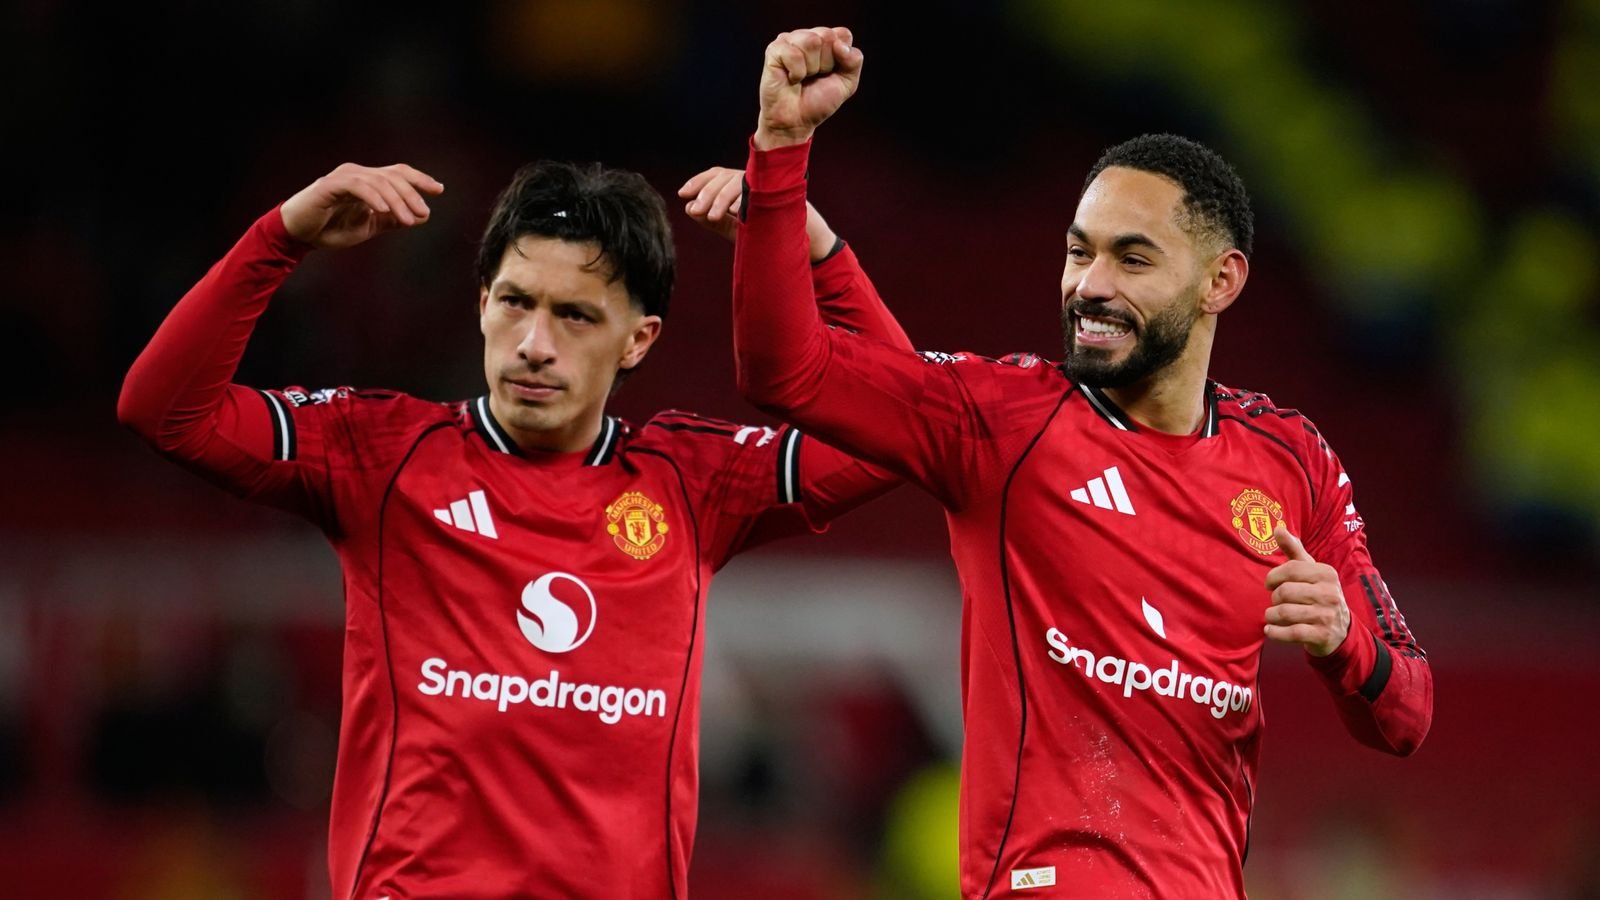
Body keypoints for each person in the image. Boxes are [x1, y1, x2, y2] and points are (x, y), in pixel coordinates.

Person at [730, 26, 1433, 899]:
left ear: (1220, 281)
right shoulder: (1001, 421)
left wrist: (1343, 641)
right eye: (1078, 250)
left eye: (1131, 258)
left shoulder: (1294, 463)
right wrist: (781, 150)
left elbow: (1406, 712)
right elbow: (787, 370)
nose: (1090, 284)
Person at [117, 158, 907, 899]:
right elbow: (164, 409)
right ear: (481, 304)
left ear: (638, 339)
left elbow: (901, 428)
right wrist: (280, 238)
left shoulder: (694, 483)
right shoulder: (381, 456)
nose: (534, 345)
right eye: (515, 302)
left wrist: (814, 246)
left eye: (575, 316)